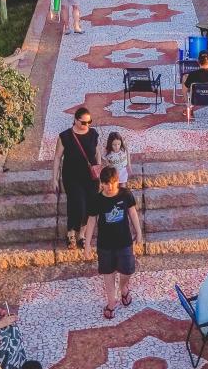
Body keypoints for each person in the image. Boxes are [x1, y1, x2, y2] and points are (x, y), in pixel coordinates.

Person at [82, 165, 142, 320]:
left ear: (117, 181)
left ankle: (123, 288)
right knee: (108, 275)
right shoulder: (96, 199)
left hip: (125, 242)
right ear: (101, 183)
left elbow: (133, 214)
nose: (110, 187)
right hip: (105, 245)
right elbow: (91, 221)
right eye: (106, 183)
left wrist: (139, 233)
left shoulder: (126, 195)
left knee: (127, 271)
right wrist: (87, 245)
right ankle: (111, 303)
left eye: (113, 183)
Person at [53, 107, 100, 249]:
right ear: (75, 120)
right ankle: (71, 232)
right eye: (84, 122)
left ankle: (82, 235)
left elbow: (97, 152)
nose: (87, 125)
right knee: (78, 205)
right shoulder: (65, 136)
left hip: (90, 177)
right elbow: (57, 158)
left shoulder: (93, 134)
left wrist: (99, 169)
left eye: (89, 122)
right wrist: (54, 178)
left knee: (90, 206)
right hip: (72, 177)